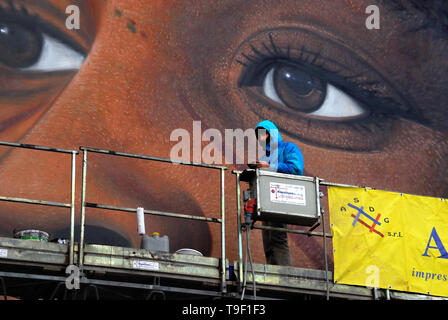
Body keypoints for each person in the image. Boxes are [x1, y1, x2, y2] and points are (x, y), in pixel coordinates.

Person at [0, 0, 446, 268]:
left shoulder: (279, 158)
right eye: (18, 43)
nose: (15, 194)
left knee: (278, 253)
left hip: (276, 217)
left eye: (300, 87)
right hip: (263, 212)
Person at [249, 120, 304, 266]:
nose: (260, 138)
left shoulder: (289, 148)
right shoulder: (265, 157)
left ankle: (284, 275)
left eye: (263, 133)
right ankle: (273, 272)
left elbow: (296, 169)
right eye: (259, 135)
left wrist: (270, 166)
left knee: (278, 236)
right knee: (268, 238)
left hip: (282, 196)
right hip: (266, 200)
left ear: (270, 133)